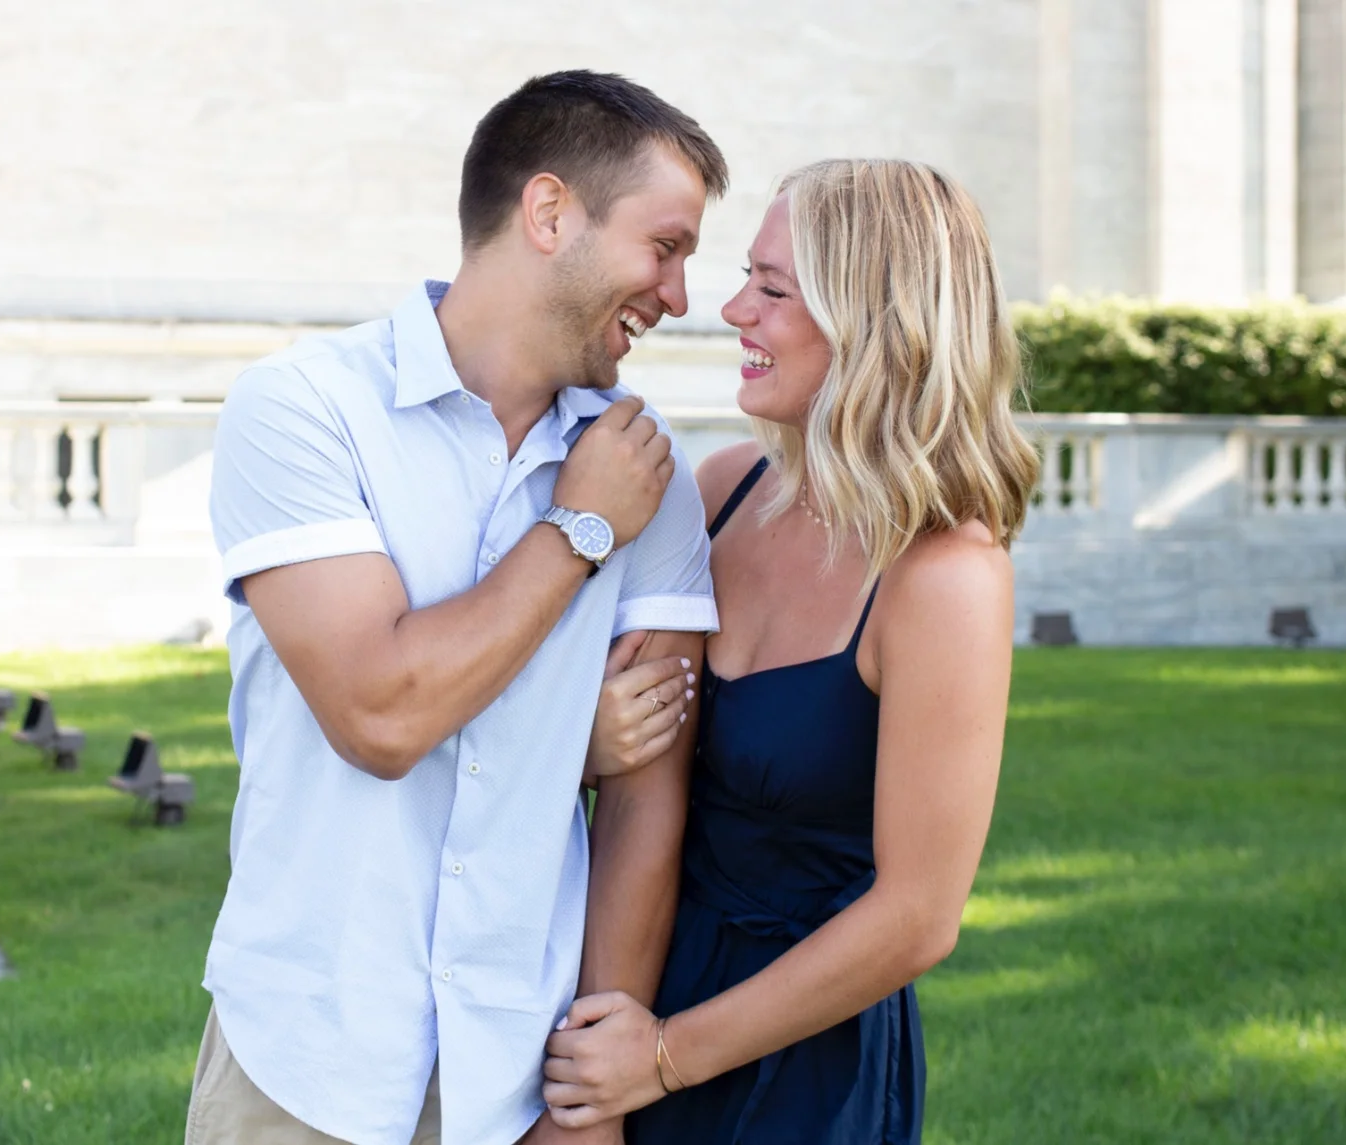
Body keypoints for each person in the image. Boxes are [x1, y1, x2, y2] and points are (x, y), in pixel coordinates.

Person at [189, 71, 729, 1145]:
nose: (677, 295)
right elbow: (381, 713)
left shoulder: (644, 464)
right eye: (664, 247)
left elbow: (645, 796)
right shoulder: (304, 408)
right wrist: (576, 533)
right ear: (548, 212)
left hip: (522, 1066)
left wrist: (590, 1092)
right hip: (305, 1054)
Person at [541, 159, 1040, 1144]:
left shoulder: (943, 576)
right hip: (618, 986)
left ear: (875, 319)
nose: (731, 309)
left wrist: (665, 1055)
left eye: (771, 288)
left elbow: (916, 916)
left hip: (792, 1060)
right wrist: (584, 739)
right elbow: (626, 753)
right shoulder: (721, 491)